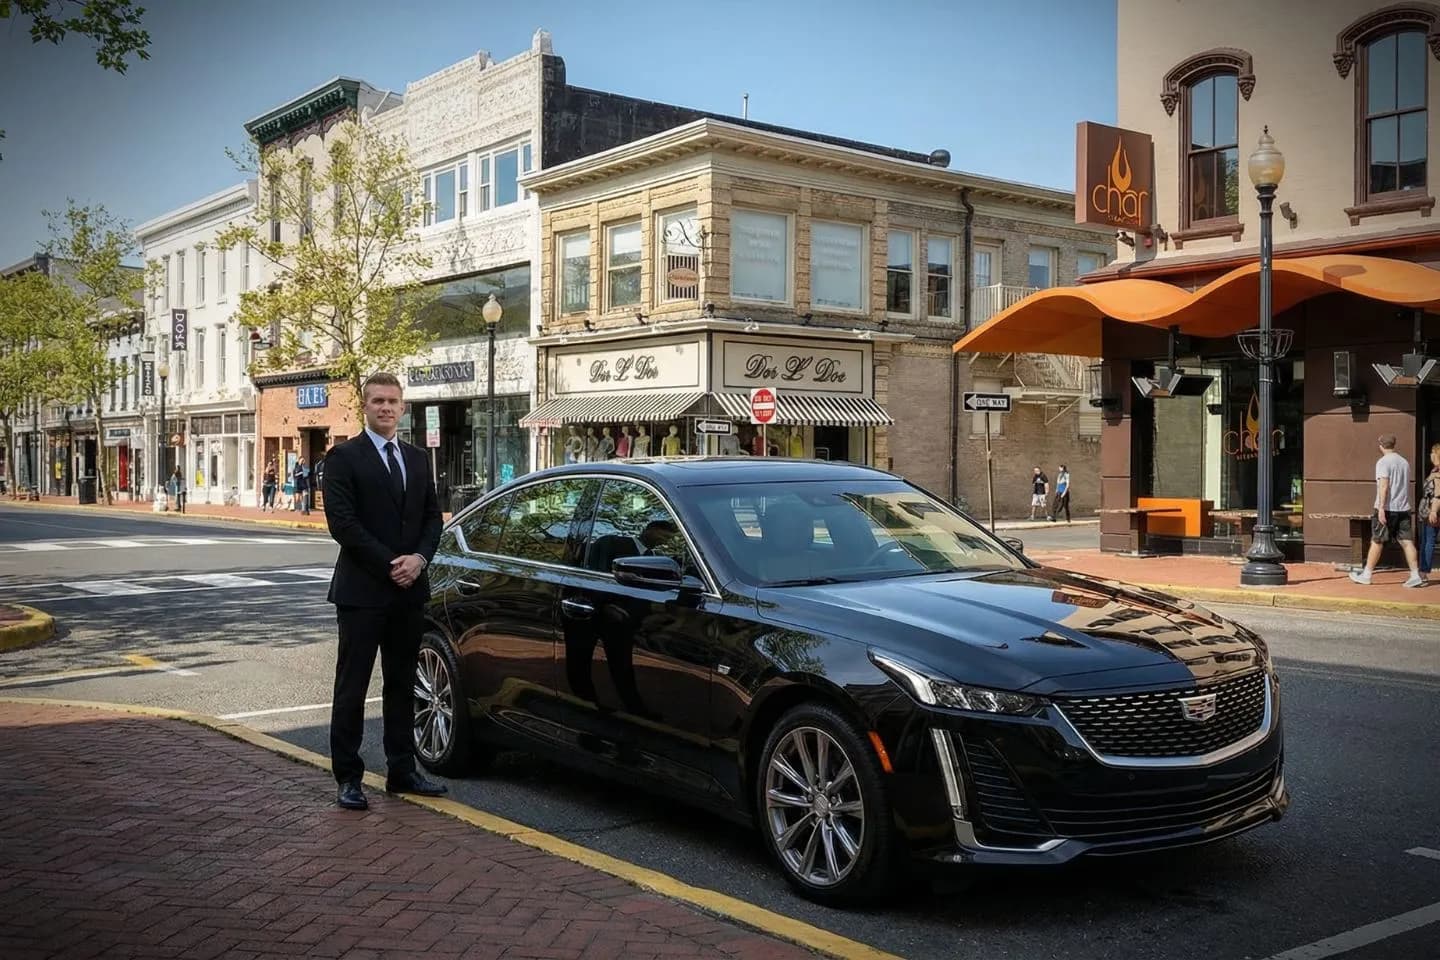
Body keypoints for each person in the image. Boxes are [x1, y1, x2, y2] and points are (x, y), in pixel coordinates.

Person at [324, 371, 446, 810]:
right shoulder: (343, 458)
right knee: (352, 687)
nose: (386, 408)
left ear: (403, 406)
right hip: (362, 593)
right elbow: (343, 525)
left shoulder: (416, 459)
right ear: (365, 406)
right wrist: (390, 563)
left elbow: (433, 517)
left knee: (401, 684)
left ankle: (403, 770)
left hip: (409, 592)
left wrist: (419, 560)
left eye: (393, 401)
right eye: (378, 401)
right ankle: (349, 778)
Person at [1350, 434, 1425, 587]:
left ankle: (1366, 575)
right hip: (1403, 508)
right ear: (1394, 444)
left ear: (1381, 446)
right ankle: (1415, 574)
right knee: (1407, 542)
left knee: (1377, 540)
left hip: (1387, 508)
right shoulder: (1404, 462)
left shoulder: (1383, 462)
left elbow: (1384, 486)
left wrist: (1382, 508)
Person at [1420, 443, 1440, 576]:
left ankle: (1423, 573)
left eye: (1432, 452)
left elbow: (1438, 494)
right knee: (1427, 540)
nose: (1430, 455)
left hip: (1434, 512)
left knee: (1428, 540)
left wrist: (1433, 511)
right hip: (1431, 511)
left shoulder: (1438, 473)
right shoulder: (1435, 471)